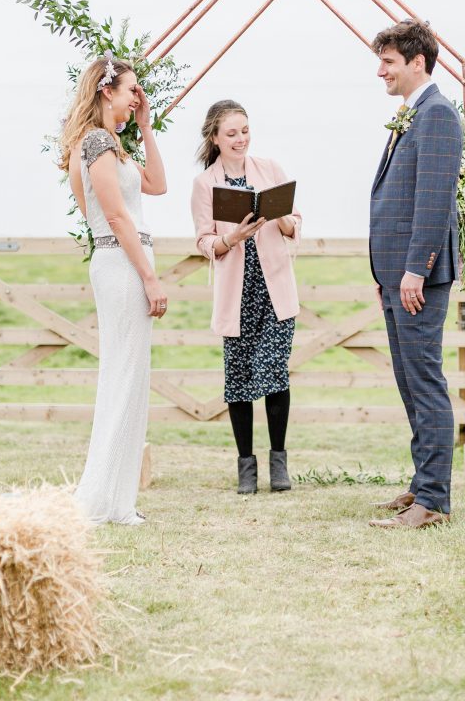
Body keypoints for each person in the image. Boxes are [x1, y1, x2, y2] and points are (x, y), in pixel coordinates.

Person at [61, 52, 168, 526]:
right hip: (123, 264)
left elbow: (158, 186)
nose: (135, 98)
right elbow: (115, 218)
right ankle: (106, 499)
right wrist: (149, 276)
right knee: (123, 377)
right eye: (131, 91)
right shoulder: (96, 143)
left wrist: (145, 125)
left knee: (131, 377)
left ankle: (118, 498)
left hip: (124, 258)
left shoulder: (114, 145)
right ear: (107, 91)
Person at [368, 21, 463, 530]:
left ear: (417, 62)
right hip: (395, 274)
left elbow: (433, 202)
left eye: (388, 61)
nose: (380, 70)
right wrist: (388, 271)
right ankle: (422, 483)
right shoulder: (412, 114)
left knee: (425, 382)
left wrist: (413, 271)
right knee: (410, 382)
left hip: (417, 277)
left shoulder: (439, 115)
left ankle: (434, 501)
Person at [191, 100, 302, 494]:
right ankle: (246, 468)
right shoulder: (206, 184)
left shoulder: (269, 169)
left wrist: (281, 217)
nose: (241, 139)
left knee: (274, 373)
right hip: (237, 294)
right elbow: (205, 240)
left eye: (245, 130)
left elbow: (294, 224)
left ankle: (279, 464)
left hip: (275, 291)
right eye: (232, 133)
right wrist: (231, 238)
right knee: (238, 380)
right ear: (215, 138)